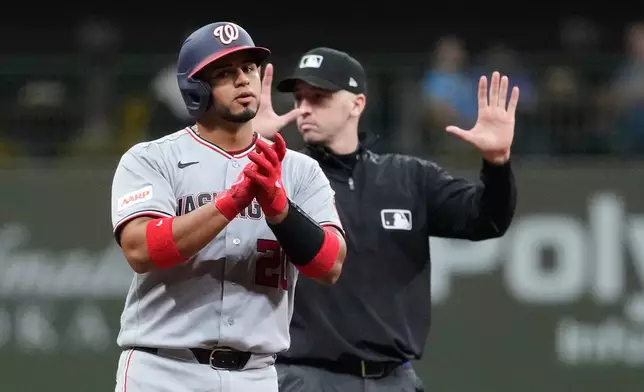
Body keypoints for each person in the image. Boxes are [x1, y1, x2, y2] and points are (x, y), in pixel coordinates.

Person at [256, 47, 518, 391]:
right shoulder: (285, 176)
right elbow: (226, 210)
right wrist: (249, 147)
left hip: (394, 379)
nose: (304, 108)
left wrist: (497, 165)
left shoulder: (408, 177)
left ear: (357, 103)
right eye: (300, 98)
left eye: (318, 97)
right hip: (307, 377)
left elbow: (487, 220)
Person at [109, 26, 347, 392]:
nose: (242, 80)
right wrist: (233, 200)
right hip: (163, 370)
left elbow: (330, 265)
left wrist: (281, 209)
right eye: (224, 73)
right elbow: (141, 249)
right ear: (196, 89)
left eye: (249, 68)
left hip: (256, 375)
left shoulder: (298, 170)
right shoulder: (152, 159)